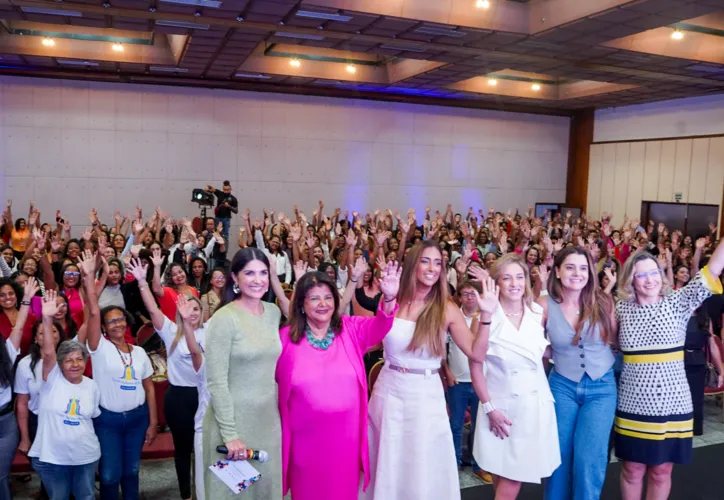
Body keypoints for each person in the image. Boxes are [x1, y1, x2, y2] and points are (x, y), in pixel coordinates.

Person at [363, 240, 489, 500]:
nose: (432, 268)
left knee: (421, 462)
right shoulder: (393, 299)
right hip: (389, 390)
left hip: (425, 394)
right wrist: (386, 300)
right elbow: (372, 338)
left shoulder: (446, 308)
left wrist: (486, 316)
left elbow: (476, 352)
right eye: (425, 260)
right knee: (388, 458)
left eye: (438, 263)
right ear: (413, 264)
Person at [276, 260, 400, 500]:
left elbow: (380, 327)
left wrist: (389, 298)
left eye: (328, 297)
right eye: (314, 298)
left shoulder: (349, 329)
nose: (323, 304)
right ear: (301, 304)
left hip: (345, 438)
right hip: (305, 441)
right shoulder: (284, 339)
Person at [614, 240, 724, 500]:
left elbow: (714, 269)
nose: (649, 280)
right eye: (641, 274)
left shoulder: (678, 302)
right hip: (632, 403)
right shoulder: (620, 309)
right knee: (631, 469)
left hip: (672, 402)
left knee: (661, 471)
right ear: (630, 279)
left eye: (653, 272)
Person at [470, 254, 560, 499]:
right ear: (496, 283)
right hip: (498, 408)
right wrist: (490, 409)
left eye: (519, 277)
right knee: (501, 478)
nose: (514, 283)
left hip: (532, 408)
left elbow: (543, 353)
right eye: (507, 278)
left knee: (511, 481)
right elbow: (476, 366)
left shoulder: (537, 312)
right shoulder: (485, 318)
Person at [535, 246, 617, 500]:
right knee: (558, 453)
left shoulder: (603, 301)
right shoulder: (543, 304)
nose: (577, 273)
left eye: (583, 268)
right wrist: (552, 352)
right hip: (562, 385)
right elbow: (532, 345)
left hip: (601, 387)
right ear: (557, 271)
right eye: (570, 267)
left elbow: (613, 339)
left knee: (589, 457)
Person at [203, 247, 283, 500]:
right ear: (235, 278)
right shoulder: (224, 319)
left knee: (266, 493)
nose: (258, 280)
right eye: (249, 273)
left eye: (263, 273)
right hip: (232, 426)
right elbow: (217, 382)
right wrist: (230, 435)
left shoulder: (273, 312)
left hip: (268, 423)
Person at [84, 249, 158, 500]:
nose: (117, 324)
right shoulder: (99, 348)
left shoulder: (138, 352)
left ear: (126, 322)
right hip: (109, 421)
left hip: (137, 419)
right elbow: (93, 312)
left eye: (120, 320)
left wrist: (152, 422)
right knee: (109, 475)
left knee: (132, 471)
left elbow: (149, 388)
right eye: (111, 322)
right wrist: (92, 275)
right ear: (104, 328)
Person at [129, 257, 205, 500]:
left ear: (202, 312)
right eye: (187, 308)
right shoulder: (171, 330)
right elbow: (152, 309)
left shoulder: (212, 330)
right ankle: (186, 495)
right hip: (180, 398)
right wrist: (142, 281)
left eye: (196, 308)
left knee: (204, 450)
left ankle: (207, 492)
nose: (191, 312)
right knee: (183, 450)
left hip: (206, 397)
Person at [28, 289, 101, 500]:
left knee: (86, 496)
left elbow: (92, 418)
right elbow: (49, 351)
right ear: (59, 364)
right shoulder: (52, 380)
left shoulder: (91, 386)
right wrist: (47, 317)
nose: (75, 364)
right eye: (68, 360)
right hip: (54, 458)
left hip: (85, 456)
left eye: (79, 359)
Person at [443, 280, 489, 481]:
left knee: (481, 427)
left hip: (482, 381)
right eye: (465, 294)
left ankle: (480, 465)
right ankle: (454, 463)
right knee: (455, 424)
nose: (469, 297)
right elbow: (441, 350)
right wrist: (447, 373)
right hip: (457, 381)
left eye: (473, 293)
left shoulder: (488, 317)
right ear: (459, 297)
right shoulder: (452, 317)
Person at [0, 279, 35, 498]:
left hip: (5, 423)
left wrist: (26, 300)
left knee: (1, 475)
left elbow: (20, 327)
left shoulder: (7, 354)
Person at [684, 306, 724, 436]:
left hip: (697, 361)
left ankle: (695, 430)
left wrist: (721, 371)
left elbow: (712, 346)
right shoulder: (676, 313)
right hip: (676, 361)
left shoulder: (704, 318)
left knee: (696, 399)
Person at [150, 248, 199, 322]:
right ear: (171, 278)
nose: (179, 276)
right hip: (175, 330)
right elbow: (156, 289)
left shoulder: (194, 290)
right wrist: (157, 267)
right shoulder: (168, 291)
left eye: (180, 272)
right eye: (174, 274)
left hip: (193, 328)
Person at [206, 181, 238, 250]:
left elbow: (236, 211)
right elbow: (210, 187)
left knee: (225, 236)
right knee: (216, 234)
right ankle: (216, 251)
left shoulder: (233, 198)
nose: (226, 191)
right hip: (218, 218)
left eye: (227, 190)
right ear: (223, 189)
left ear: (230, 189)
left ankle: (224, 253)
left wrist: (229, 206)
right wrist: (207, 188)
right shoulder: (220, 194)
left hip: (226, 219)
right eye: (224, 189)